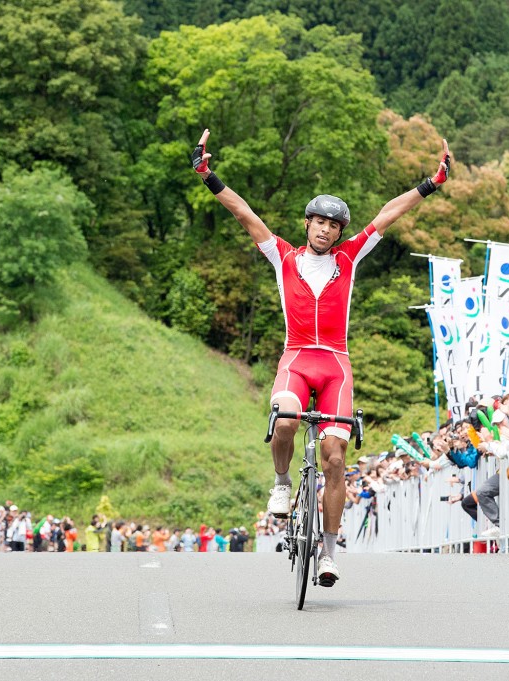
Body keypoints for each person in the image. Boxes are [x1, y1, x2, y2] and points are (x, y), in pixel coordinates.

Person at [192, 128, 451, 587]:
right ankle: (280, 483)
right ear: (307, 223)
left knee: (334, 458)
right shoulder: (283, 257)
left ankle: (329, 554)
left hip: (335, 365)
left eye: (334, 225)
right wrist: (207, 174)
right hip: (296, 359)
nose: (326, 229)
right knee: (286, 418)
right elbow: (245, 213)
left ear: (339, 232)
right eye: (319, 222)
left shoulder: (349, 258)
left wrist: (431, 183)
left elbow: (388, 214)